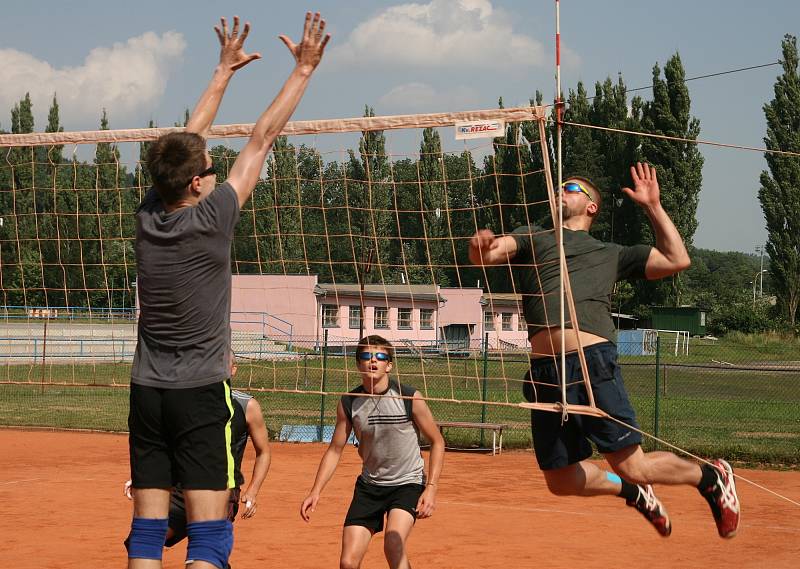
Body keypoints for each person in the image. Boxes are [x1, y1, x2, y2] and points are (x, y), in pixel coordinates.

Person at [127, 13, 329, 569]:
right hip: (198, 394)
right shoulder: (213, 217)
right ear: (196, 184)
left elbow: (188, 143)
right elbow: (263, 136)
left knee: (146, 532)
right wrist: (305, 69)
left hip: (146, 391)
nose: (214, 172)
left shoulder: (148, 216)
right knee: (210, 537)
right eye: (209, 170)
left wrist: (221, 73)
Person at [468, 163, 740, 539]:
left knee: (634, 464)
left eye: (572, 187)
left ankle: (711, 476)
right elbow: (491, 253)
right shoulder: (535, 236)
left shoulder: (609, 252)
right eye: (560, 185)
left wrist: (653, 206)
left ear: (591, 207)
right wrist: (481, 245)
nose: (562, 189)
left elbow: (677, 259)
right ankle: (632, 493)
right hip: (544, 371)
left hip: (589, 361)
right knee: (560, 481)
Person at [300, 336, 445, 569]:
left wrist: (431, 488)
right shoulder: (349, 402)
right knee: (348, 562)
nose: (373, 361)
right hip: (370, 486)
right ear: (358, 364)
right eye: (366, 356)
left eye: (380, 357)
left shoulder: (409, 397)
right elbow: (335, 450)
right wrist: (315, 491)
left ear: (389, 364)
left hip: (407, 484)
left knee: (393, 545)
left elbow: (437, 442)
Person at [124, 357, 271, 568]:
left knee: (208, 551)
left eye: (224, 363)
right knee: (141, 540)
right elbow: (167, 444)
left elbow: (264, 452)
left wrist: (253, 491)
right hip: (179, 488)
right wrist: (143, 477)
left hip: (222, 489)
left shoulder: (246, 405)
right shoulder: (186, 401)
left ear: (233, 369)